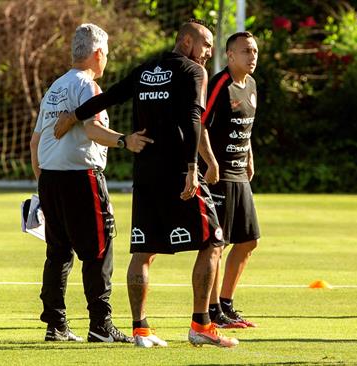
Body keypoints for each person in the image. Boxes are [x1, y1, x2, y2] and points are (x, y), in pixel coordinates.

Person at [54, 19, 239, 348]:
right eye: (206, 44)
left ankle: (140, 330)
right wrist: (194, 166)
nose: (210, 51)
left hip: (145, 173)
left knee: (143, 251)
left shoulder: (145, 70)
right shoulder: (194, 72)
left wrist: (73, 116)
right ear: (186, 42)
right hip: (177, 170)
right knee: (214, 240)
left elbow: (109, 97)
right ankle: (201, 325)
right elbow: (193, 119)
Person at [30, 23, 150, 343]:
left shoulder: (54, 88)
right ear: (98, 53)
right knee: (99, 249)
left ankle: (56, 325)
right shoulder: (88, 86)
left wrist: (43, 184)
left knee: (58, 252)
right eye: (106, 54)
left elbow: (35, 142)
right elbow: (94, 131)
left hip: (50, 177)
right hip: (82, 178)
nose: (106, 60)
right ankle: (101, 324)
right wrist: (125, 141)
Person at [198, 32, 260, 329]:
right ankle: (211, 311)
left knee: (248, 241)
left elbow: (246, 125)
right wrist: (210, 162)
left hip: (240, 175)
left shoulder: (252, 85)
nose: (253, 56)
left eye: (255, 51)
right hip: (218, 176)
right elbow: (200, 125)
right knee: (217, 244)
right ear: (230, 55)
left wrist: (249, 155)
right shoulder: (218, 84)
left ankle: (226, 304)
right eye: (246, 51)